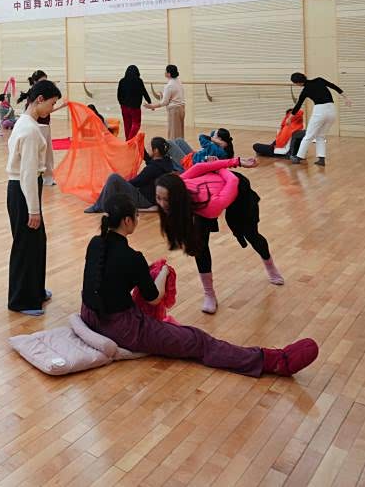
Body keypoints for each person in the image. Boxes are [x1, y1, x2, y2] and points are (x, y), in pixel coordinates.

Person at [81, 191, 318, 378]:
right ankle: (272, 360)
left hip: (90, 315)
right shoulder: (133, 257)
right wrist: (163, 272)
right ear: (127, 220)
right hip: (122, 329)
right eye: (136, 215)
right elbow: (154, 297)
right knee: (198, 340)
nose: (138, 219)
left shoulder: (95, 243)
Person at [156, 154, 285, 316]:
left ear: (177, 197)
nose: (161, 204)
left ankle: (271, 267)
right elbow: (199, 167)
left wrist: (223, 167)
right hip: (205, 192)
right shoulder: (178, 184)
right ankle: (209, 294)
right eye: (158, 198)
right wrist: (230, 162)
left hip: (237, 189)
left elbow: (233, 181)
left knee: (251, 235)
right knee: (199, 246)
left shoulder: (211, 207)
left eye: (166, 199)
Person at [5, 79, 62, 315]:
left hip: (24, 188)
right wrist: (34, 210)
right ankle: (21, 300)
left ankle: (35, 291)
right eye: (52, 103)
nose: (52, 108)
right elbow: (28, 173)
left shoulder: (28, 123)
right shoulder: (29, 130)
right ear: (40, 99)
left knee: (36, 243)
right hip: (22, 190)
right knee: (25, 245)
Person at [86, 136, 176, 214]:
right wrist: (140, 146)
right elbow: (150, 161)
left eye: (149, 147)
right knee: (117, 181)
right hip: (152, 199)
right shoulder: (166, 162)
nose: (148, 148)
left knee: (114, 178)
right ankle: (103, 200)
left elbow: (137, 182)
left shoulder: (152, 168)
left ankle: (99, 207)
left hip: (144, 201)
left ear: (155, 151)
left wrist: (123, 183)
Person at [289, 72, 350, 166]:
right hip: (332, 111)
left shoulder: (305, 90)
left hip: (320, 111)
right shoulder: (319, 80)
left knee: (308, 135)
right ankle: (321, 159)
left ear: (298, 83)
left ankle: (298, 157)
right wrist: (346, 98)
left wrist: (290, 117)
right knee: (321, 136)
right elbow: (333, 86)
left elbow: (298, 105)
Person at [21, 70, 63, 186]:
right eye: (42, 81)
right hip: (39, 126)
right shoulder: (34, 97)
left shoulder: (44, 97)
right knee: (41, 154)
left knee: (48, 154)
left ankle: (48, 178)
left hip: (45, 125)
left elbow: (47, 111)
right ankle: (41, 177)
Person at [145, 65, 185, 139]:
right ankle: (181, 145)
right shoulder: (179, 82)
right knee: (179, 133)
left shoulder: (169, 85)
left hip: (174, 110)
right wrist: (162, 96)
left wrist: (151, 106)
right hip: (181, 109)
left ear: (169, 74)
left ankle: (174, 146)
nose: (164, 72)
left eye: (165, 71)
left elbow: (164, 102)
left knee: (173, 134)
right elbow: (173, 97)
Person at [168, 127, 234, 168]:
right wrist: (220, 141)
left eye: (215, 135)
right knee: (179, 141)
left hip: (191, 164)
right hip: (196, 158)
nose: (212, 135)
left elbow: (202, 136)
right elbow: (212, 133)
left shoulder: (213, 147)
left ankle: (174, 166)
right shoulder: (224, 149)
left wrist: (216, 141)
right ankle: (176, 165)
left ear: (219, 139)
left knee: (169, 143)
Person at [117, 65, 150, 141]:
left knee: (127, 124)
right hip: (135, 107)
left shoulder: (122, 81)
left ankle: (128, 140)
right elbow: (144, 92)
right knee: (136, 124)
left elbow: (119, 94)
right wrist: (149, 101)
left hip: (124, 107)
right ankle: (130, 140)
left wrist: (121, 103)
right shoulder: (139, 81)